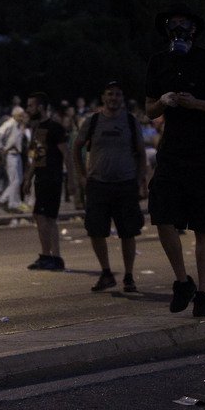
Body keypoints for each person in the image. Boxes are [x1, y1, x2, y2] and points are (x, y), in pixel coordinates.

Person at [145, 3, 205, 317]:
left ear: (194, 29)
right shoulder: (158, 62)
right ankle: (182, 280)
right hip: (172, 151)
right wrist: (163, 100)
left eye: (184, 23)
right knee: (162, 216)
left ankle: (204, 293)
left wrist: (197, 103)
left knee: (204, 225)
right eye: (173, 23)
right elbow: (149, 110)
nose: (178, 27)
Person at [72, 81, 147, 293]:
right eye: (110, 94)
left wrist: (140, 181)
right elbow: (76, 147)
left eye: (117, 94)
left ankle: (129, 276)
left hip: (125, 184)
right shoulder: (93, 121)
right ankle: (106, 273)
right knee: (96, 230)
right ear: (103, 97)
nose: (113, 98)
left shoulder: (131, 122)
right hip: (98, 184)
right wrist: (81, 176)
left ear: (122, 98)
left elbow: (141, 154)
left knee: (128, 232)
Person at [23, 92, 70, 271]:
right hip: (42, 178)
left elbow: (66, 154)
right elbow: (37, 156)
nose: (28, 109)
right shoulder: (39, 128)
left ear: (40, 107)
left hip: (52, 178)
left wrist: (72, 181)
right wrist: (28, 178)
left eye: (31, 106)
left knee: (45, 217)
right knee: (43, 217)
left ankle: (51, 257)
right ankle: (51, 257)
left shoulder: (54, 128)